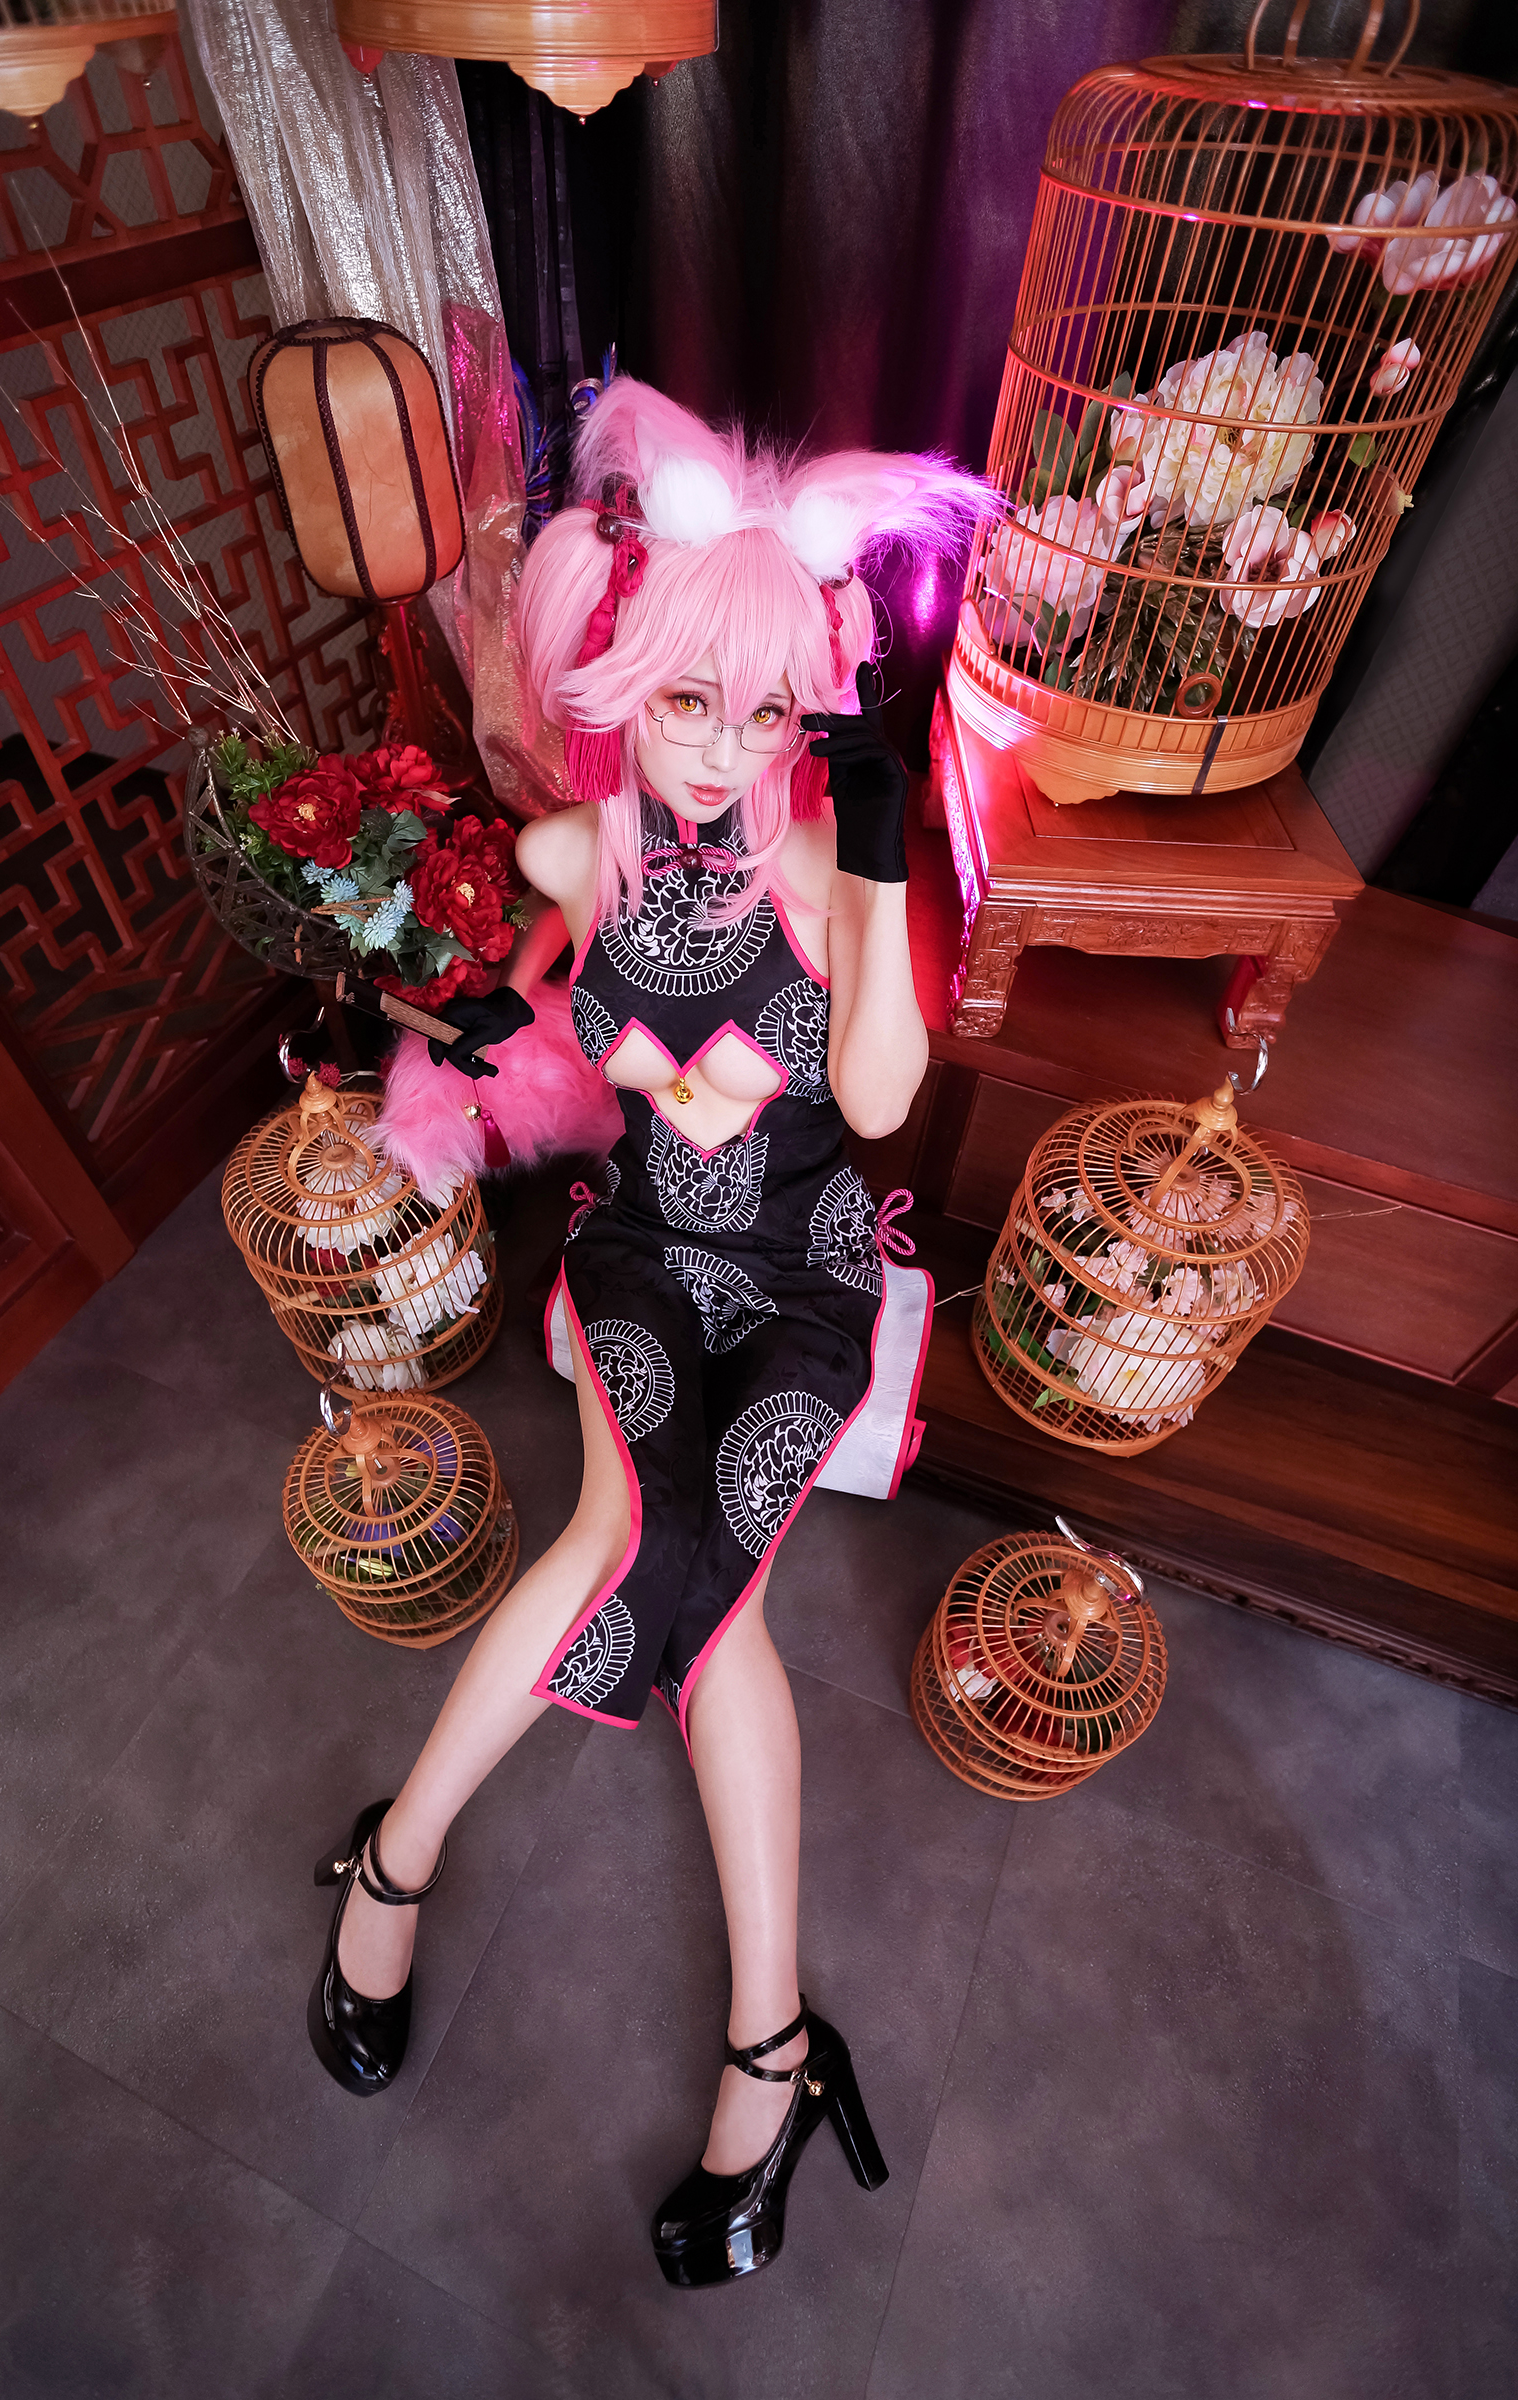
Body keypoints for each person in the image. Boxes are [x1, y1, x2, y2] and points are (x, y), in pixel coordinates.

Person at [308, 378, 992, 2287]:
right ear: (630, 676)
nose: (723, 749)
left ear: (813, 706)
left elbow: (874, 1104)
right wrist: (445, 1011)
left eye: (767, 711)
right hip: (639, 1259)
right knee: (650, 1543)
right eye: (691, 700)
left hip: (802, 1274)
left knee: (691, 1562)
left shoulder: (824, 870)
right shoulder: (575, 856)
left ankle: (391, 1862)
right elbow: (507, 995)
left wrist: (875, 860)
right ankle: (765, 2048)